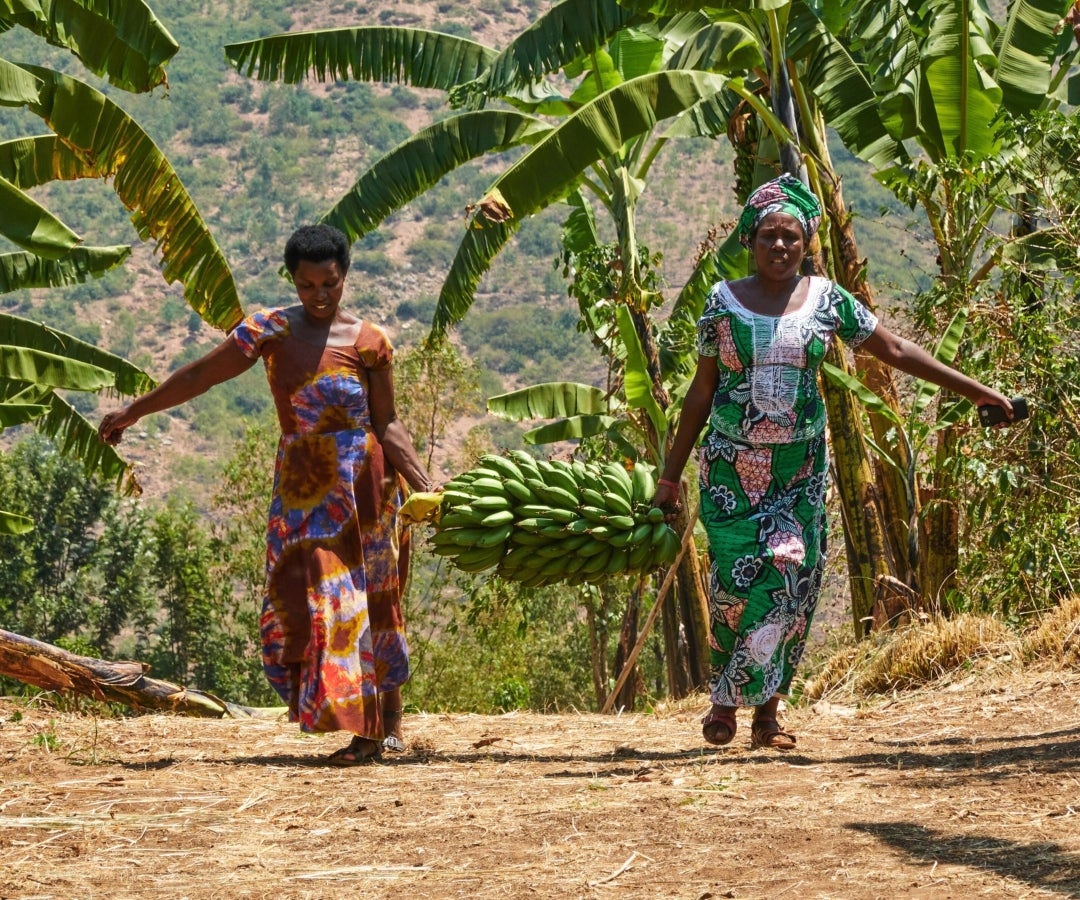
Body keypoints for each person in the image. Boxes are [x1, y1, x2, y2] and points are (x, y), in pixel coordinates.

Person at [652, 174, 1014, 751]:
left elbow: (893, 349)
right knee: (734, 586)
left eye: (791, 238)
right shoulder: (720, 304)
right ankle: (728, 700)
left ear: (805, 244)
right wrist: (670, 476)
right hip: (730, 476)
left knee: (791, 573)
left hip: (798, 472)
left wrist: (976, 391)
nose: (780, 247)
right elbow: (700, 393)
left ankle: (761, 712)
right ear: (750, 240)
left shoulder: (827, 301)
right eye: (769, 236)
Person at [99, 223, 433, 765]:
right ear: (293, 281)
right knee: (316, 598)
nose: (320, 295)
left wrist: (424, 484)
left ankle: (379, 728)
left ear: (345, 275)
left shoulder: (371, 342)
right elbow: (202, 376)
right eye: (307, 285)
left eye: (330, 283)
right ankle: (370, 724)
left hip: (364, 484)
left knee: (367, 595)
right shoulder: (269, 331)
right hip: (304, 486)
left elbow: (387, 422)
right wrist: (134, 411)